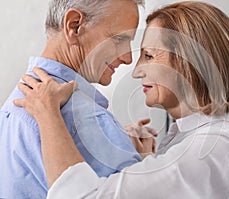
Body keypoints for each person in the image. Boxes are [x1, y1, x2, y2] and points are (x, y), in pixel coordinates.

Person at [15, 1, 229, 198]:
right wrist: (144, 163)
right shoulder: (194, 139)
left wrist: (49, 116)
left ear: (191, 63)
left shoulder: (215, 149)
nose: (135, 71)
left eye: (149, 55)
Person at [0, 0, 156, 198]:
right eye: (118, 39)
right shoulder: (86, 120)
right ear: (74, 26)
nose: (128, 59)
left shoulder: (11, 108)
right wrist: (143, 165)